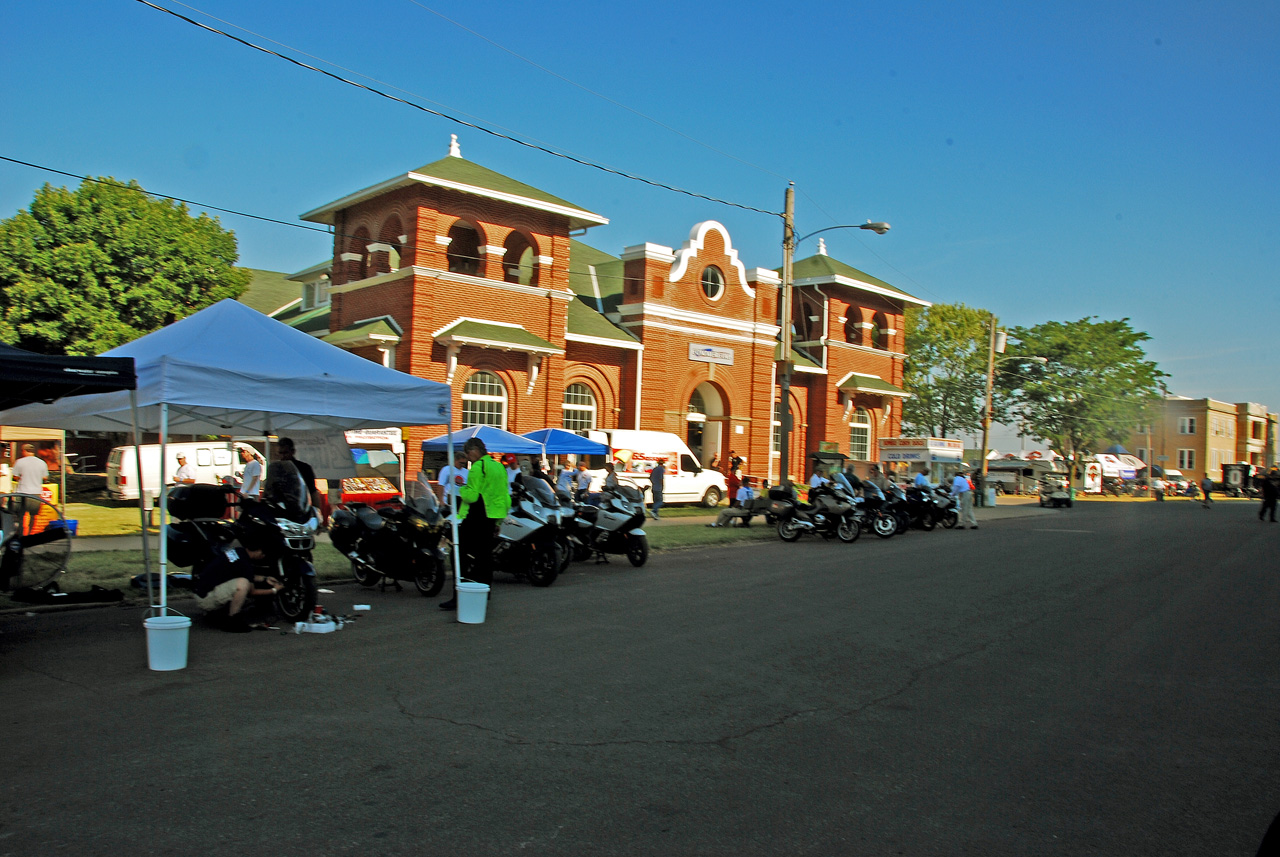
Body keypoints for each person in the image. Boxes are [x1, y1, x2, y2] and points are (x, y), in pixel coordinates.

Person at [440, 437, 511, 611]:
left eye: (467, 454)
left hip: (477, 515)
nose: (467, 459)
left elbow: (471, 496)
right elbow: (505, 496)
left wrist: (461, 489)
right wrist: (499, 520)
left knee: (458, 554)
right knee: (485, 557)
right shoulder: (499, 467)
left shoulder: (478, 467)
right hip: (493, 516)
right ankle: (484, 592)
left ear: (474, 450)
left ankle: (460, 596)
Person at [193, 543, 282, 632]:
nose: (263, 556)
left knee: (242, 582)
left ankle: (217, 613)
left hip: (202, 592)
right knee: (243, 584)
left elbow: (243, 574)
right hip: (207, 599)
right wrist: (274, 590)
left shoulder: (238, 552)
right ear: (258, 551)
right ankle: (233, 621)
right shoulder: (245, 564)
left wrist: (265, 579)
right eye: (263, 553)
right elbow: (252, 591)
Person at [274, 438, 321, 512]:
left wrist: (317, 511)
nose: (283, 456)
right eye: (280, 453)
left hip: (300, 509)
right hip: (279, 509)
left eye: (285, 453)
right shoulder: (276, 468)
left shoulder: (304, 468)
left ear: (292, 451)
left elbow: (313, 492)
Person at [11, 443, 49, 535]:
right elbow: (45, 478)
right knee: (33, 516)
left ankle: (20, 533)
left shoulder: (19, 462)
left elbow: (15, 477)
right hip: (35, 492)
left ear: (24, 451)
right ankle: (29, 534)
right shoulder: (42, 462)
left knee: (20, 516)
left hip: (22, 492)